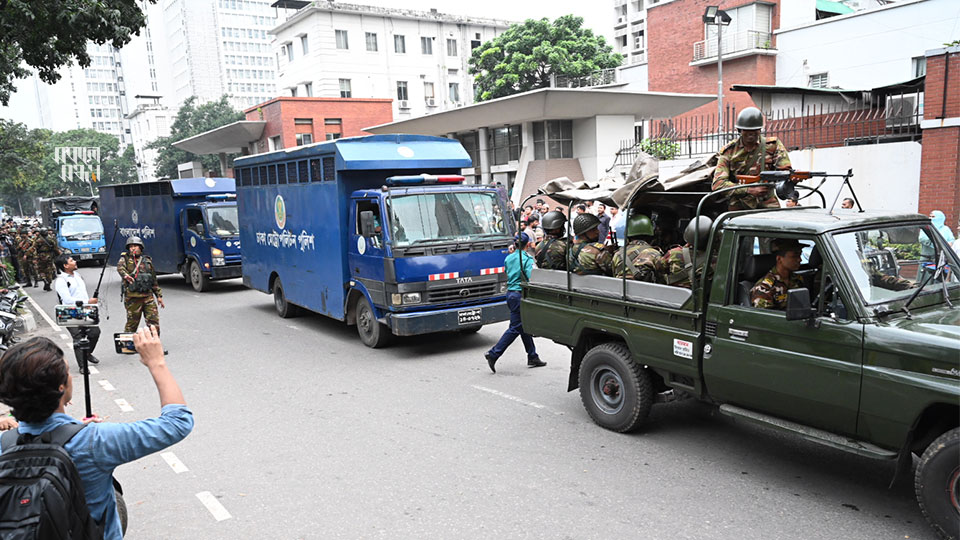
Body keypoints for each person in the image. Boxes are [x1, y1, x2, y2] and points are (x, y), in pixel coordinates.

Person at [0, 327, 193, 540]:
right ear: (62, 387)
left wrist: (75, 428)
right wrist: (157, 363)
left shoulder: (4, 444)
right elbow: (177, 422)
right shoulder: (94, 441)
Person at [484, 233, 545, 373]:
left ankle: (532, 356)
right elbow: (532, 277)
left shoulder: (509, 258)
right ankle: (494, 353)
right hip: (520, 294)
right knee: (516, 327)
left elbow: (508, 271)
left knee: (523, 326)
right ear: (528, 245)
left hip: (511, 293)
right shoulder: (527, 259)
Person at [712, 107, 792, 211]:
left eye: (755, 130)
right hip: (739, 206)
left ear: (760, 130)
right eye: (747, 130)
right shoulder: (729, 151)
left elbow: (784, 173)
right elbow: (718, 184)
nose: (751, 133)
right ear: (739, 130)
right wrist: (748, 190)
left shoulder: (773, 145)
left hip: (767, 204)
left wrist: (792, 179)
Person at [53, 254, 101, 372]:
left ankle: (88, 353)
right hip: (69, 312)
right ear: (65, 265)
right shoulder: (61, 281)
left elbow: (82, 293)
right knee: (78, 337)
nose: (75, 262)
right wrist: (87, 301)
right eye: (72, 260)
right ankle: (82, 366)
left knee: (95, 332)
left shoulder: (78, 276)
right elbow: (68, 300)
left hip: (84, 310)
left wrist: (90, 303)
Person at [117, 236, 165, 335]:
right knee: (132, 324)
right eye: (131, 247)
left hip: (148, 297)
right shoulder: (125, 259)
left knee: (153, 322)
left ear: (140, 247)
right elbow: (120, 268)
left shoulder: (147, 261)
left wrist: (159, 296)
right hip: (133, 298)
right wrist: (126, 276)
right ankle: (128, 345)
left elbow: (153, 280)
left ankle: (154, 345)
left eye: (135, 246)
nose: (133, 248)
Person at [749, 238, 804, 310]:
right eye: (794, 256)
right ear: (779, 259)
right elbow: (765, 318)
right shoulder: (764, 287)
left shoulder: (797, 279)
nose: (800, 259)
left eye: (800, 255)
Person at [661, 217, 712, 289]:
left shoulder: (672, 254)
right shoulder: (714, 261)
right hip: (698, 299)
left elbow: (659, 270)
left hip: (672, 297)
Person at [611, 214, 664, 282]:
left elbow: (614, 275)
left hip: (620, 291)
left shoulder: (618, 254)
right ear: (650, 236)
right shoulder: (654, 254)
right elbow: (662, 278)